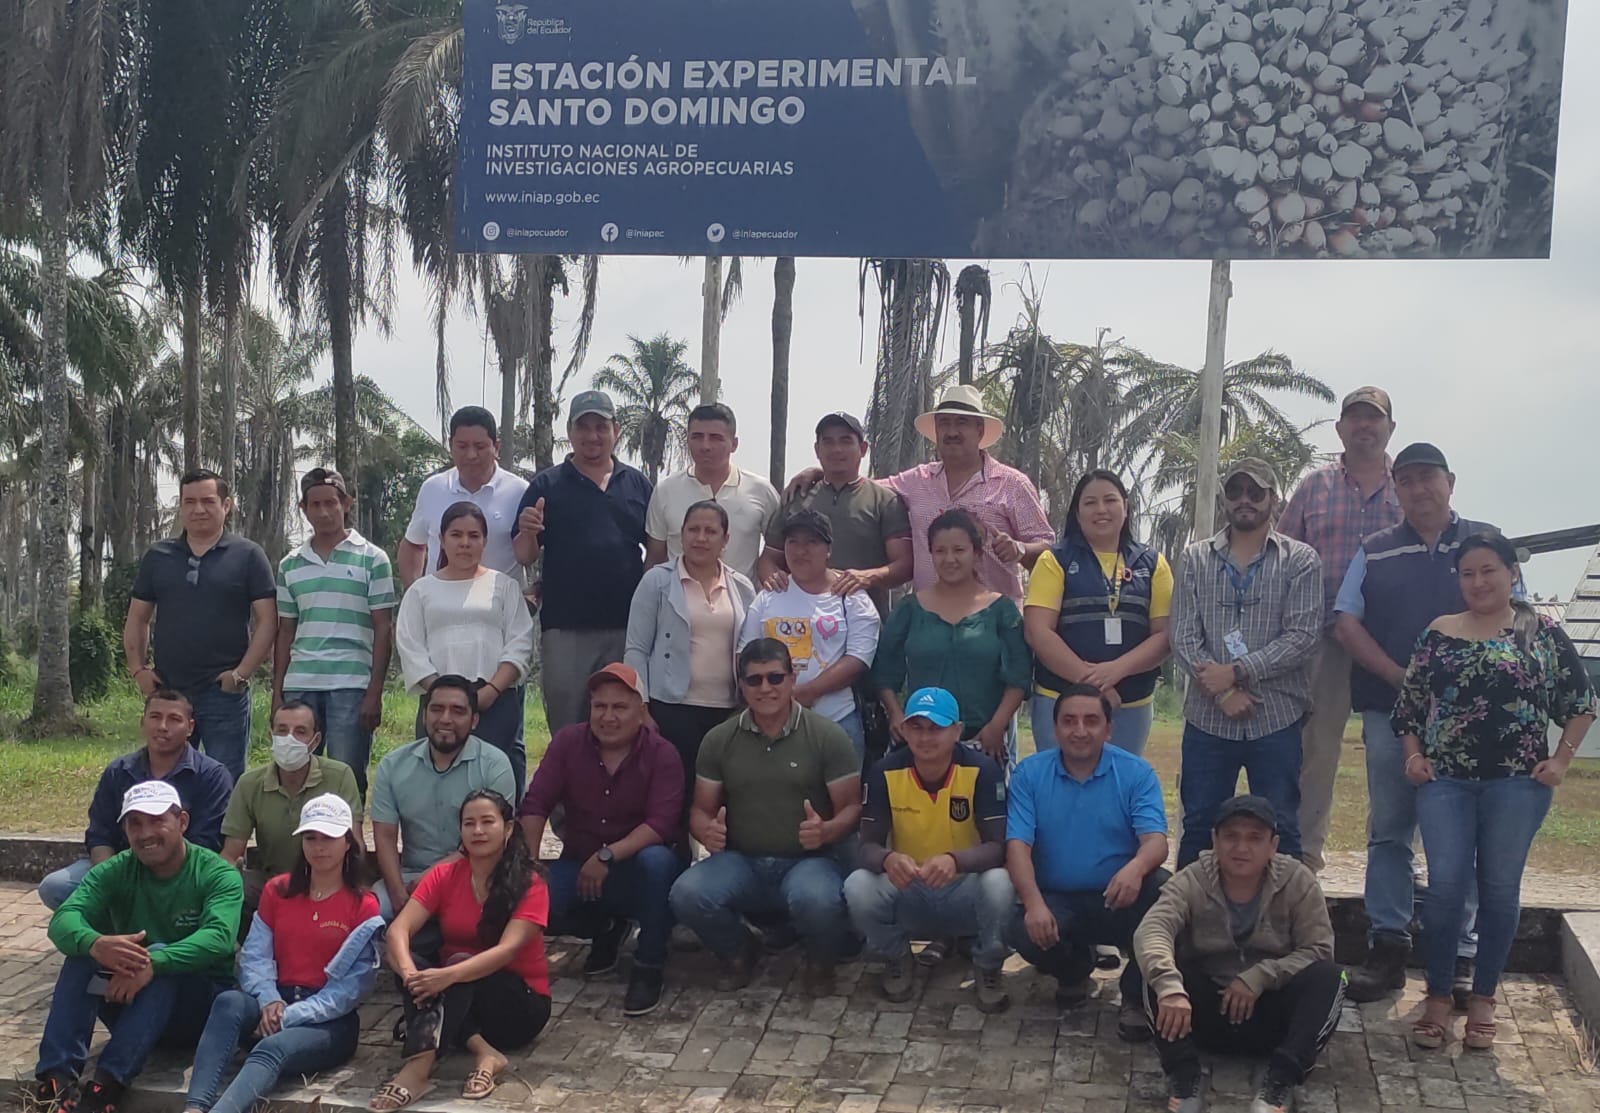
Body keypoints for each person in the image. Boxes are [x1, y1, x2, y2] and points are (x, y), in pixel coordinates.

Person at [1396, 533, 1596, 1052]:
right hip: (1446, 784)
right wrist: (1413, 757)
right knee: (1445, 889)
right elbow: (1409, 707)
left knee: (1500, 890)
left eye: (1489, 571)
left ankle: (1484, 997)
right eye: (1468, 573)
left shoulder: (1541, 632)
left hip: (1517, 786)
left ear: (1511, 573)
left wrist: (1562, 760)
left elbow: (1581, 702)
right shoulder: (1439, 633)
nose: (1478, 582)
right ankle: (1438, 995)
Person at [1333, 442, 1491, 1003]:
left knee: (1463, 835)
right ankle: (1388, 946)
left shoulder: (1483, 543)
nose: (1419, 489)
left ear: (1451, 481)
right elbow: (1346, 621)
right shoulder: (1374, 550)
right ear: (1395, 489)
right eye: (1407, 480)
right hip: (1388, 711)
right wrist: (1399, 677)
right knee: (1390, 830)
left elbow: (1514, 617)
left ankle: (1462, 953)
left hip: (1470, 720)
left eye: (1429, 477)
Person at [33, 782, 244, 1113]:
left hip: (198, 1010)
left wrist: (154, 962)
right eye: (135, 824)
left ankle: (107, 1087)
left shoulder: (216, 873)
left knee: (158, 953)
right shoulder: (116, 869)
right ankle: (56, 1081)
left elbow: (219, 937)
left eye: (157, 821)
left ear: (182, 822)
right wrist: (96, 944)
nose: (146, 834)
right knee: (82, 956)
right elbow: (63, 919)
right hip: (130, 1000)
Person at [669, 639, 862, 996]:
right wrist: (706, 831)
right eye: (754, 680)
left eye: (775, 677)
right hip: (742, 861)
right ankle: (738, 950)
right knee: (687, 893)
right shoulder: (719, 739)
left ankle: (821, 960)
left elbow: (851, 809)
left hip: (809, 862)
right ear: (741, 686)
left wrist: (826, 831)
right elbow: (699, 810)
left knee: (817, 900)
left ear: (792, 679)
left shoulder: (827, 736)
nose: (765, 688)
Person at [1134, 796, 1345, 1113]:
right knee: (1151, 966)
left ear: (1273, 845)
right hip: (1204, 1013)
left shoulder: (1298, 881)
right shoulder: (1192, 879)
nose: (1241, 848)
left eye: (1255, 838)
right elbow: (1152, 929)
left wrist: (1260, 977)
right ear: (1214, 840)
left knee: (1331, 976)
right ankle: (1184, 1075)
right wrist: (1170, 988)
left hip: (1273, 1015)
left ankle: (1280, 1081)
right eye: (1231, 836)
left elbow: (1319, 949)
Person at [183, 795, 383, 1113]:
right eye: (310, 837)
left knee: (271, 1048)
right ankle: (194, 1107)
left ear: (348, 842)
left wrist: (288, 1017)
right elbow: (255, 956)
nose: (319, 847)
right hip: (275, 1001)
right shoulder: (278, 890)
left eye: (329, 837)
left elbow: (351, 989)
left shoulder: (364, 904)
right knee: (229, 1002)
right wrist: (269, 1000)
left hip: (329, 1022)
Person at [1170, 458, 1321, 865]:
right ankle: (1193, 908)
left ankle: (1283, 908)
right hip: (1208, 717)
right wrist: (1222, 693)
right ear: (1224, 499)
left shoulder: (1301, 560)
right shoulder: (1195, 558)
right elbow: (1182, 636)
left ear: (1274, 499)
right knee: (1199, 825)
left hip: (1276, 716)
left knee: (1281, 827)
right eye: (1236, 492)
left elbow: (1303, 636)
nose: (1245, 500)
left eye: (1256, 492)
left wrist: (1237, 672)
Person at [1277, 387, 1401, 874]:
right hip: (1323, 640)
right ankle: (1305, 852)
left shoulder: (1406, 486)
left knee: (1394, 750)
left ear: (1390, 428)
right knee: (1316, 748)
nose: (1364, 426)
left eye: (1374, 418)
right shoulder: (1314, 487)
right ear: (1340, 428)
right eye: (1355, 417)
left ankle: (1394, 856)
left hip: (1389, 643)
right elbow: (1282, 556)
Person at [786, 384, 1055, 606]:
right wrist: (820, 472)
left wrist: (1020, 549)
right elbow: (861, 487)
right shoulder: (916, 480)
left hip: (995, 622)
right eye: (944, 423)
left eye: (961, 423)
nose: (952, 432)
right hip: (929, 620)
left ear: (980, 431)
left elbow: (1049, 550)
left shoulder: (1011, 484)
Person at [1006, 685, 1170, 1041]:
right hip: (1058, 899)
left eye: (1091, 721)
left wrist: (1136, 868)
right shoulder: (1029, 774)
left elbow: (1156, 841)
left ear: (1108, 729)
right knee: (1019, 928)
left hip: (1119, 896)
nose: (1079, 730)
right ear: (1055, 728)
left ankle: (1135, 995)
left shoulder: (1136, 773)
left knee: (1164, 892)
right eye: (1069, 721)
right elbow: (1017, 845)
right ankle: (1074, 970)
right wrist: (1034, 904)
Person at [520, 664, 684, 1016]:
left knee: (658, 862)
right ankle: (605, 928)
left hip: (637, 871)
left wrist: (608, 855)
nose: (608, 717)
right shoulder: (568, 743)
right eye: (600, 706)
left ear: (641, 712)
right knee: (531, 896)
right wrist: (530, 866)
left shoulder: (662, 753)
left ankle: (649, 964)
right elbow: (535, 803)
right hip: (579, 865)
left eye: (620, 707)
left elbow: (661, 823)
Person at [373, 791, 551, 1111]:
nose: (477, 831)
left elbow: (507, 951)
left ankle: (418, 1068)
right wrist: (411, 974)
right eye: (469, 823)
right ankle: (484, 1053)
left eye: (487, 822)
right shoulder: (445, 875)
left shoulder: (530, 883)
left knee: (455, 966)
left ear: (508, 828)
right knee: (407, 962)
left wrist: (448, 976)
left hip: (516, 1004)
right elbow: (398, 930)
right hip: (455, 998)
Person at [845, 687, 1014, 1012]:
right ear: (904, 730)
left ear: (957, 730)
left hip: (964, 888)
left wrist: (955, 861)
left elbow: (998, 847)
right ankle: (896, 957)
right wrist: (888, 858)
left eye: (936, 728)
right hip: (911, 887)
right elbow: (866, 846)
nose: (925, 737)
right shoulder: (884, 772)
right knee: (858, 885)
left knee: (1000, 882)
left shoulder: (982, 770)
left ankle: (988, 964)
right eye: (917, 727)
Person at [124, 468, 277, 781]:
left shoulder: (248, 555)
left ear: (226, 505)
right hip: (169, 690)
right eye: (189, 502)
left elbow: (268, 620)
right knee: (166, 779)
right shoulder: (159, 556)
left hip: (224, 692)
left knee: (226, 780)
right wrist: (138, 670)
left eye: (208, 501)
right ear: (180, 506)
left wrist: (240, 674)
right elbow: (138, 617)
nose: (198, 509)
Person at [513, 390, 652, 732]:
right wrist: (528, 531)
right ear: (570, 432)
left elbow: (656, 550)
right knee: (567, 721)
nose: (593, 436)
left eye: (601, 427)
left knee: (623, 721)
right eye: (584, 427)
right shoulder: (546, 485)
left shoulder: (637, 484)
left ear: (615, 430)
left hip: (627, 627)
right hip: (566, 627)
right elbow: (524, 555)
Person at [39, 690, 233, 911]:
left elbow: (206, 842)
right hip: (122, 866)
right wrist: (111, 879)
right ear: (142, 723)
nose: (163, 726)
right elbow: (100, 834)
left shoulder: (212, 775)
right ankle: (114, 924)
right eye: (155, 717)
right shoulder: (118, 771)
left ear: (190, 727)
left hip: (182, 873)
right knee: (55, 887)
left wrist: (161, 877)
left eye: (174, 719)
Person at [1024, 469, 1173, 756]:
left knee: (1120, 780)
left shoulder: (1153, 563)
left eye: (1110, 500)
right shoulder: (1054, 560)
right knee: (1059, 780)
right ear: (1077, 513)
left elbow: (1164, 635)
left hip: (1130, 705)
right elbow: (1038, 632)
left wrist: (1116, 670)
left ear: (1125, 507)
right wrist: (1094, 682)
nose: (1101, 509)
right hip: (1061, 700)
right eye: (1090, 503)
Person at [272, 467, 397, 799]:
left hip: (350, 685)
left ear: (347, 504)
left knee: (347, 775)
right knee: (295, 771)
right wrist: (277, 693)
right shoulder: (290, 564)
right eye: (315, 504)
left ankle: (348, 832)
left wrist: (374, 691)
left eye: (331, 503)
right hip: (301, 684)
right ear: (304, 509)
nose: (324, 512)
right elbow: (285, 631)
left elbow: (383, 627)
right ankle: (299, 832)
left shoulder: (372, 558)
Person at [625, 500, 756, 815]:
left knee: (722, 799)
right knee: (675, 799)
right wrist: (641, 708)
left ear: (725, 539)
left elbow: (749, 649)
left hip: (727, 711)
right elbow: (636, 648)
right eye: (693, 529)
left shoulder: (742, 587)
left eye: (711, 531)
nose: (701, 538)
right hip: (671, 707)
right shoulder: (656, 581)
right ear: (681, 535)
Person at [872, 509, 1030, 768]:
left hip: (984, 741)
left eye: (959, 550)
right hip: (920, 742)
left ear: (977, 553)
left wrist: (996, 726)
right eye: (940, 551)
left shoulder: (1002, 611)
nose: (949, 559)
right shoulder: (910, 609)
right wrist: (896, 714)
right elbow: (884, 670)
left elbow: (1019, 675)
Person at [396, 501, 535, 793]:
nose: (465, 543)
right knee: (439, 781)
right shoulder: (421, 590)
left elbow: (520, 642)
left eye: (474, 536)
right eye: (456, 535)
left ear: (485, 541)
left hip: (495, 701)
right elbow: (410, 645)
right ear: (441, 539)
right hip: (439, 702)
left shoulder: (504, 586)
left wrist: (490, 691)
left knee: (494, 786)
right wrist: (443, 694)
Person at [368, 675, 518, 921]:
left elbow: (495, 838)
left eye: (457, 711)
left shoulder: (495, 764)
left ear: (474, 720)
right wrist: (396, 893)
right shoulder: (393, 765)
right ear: (424, 715)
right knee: (373, 911)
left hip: (477, 876)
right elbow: (384, 836)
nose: (445, 719)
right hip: (411, 878)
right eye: (437, 709)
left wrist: (433, 878)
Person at [740, 510, 881, 761]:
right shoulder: (769, 595)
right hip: (771, 724)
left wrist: (808, 692)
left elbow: (859, 658)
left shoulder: (852, 596)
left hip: (838, 720)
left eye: (811, 542)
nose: (800, 551)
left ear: (828, 549)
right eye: (792, 542)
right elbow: (745, 653)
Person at [757, 412, 913, 617]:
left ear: (863, 449)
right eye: (828, 442)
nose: (836, 449)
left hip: (864, 619)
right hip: (798, 621)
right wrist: (774, 580)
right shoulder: (796, 498)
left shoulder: (884, 501)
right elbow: (769, 558)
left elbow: (905, 565)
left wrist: (867, 577)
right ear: (817, 449)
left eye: (846, 441)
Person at [219, 700, 363, 912]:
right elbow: (231, 854)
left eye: (300, 732)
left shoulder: (340, 776)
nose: (289, 739)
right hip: (272, 882)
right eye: (282, 730)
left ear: (315, 741)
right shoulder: (249, 783)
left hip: (328, 882)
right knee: (230, 888)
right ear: (271, 736)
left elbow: (355, 843)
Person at [645, 402, 779, 580]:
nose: (705, 446)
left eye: (716, 438)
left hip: (742, 597)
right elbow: (655, 558)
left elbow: (778, 552)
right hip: (678, 596)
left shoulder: (761, 491)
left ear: (734, 444)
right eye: (697, 437)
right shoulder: (665, 491)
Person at [398, 406, 529, 586]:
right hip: (441, 601)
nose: (471, 455)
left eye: (480, 446)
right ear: (450, 445)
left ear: (496, 447)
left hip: (500, 602)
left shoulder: (519, 492)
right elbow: (413, 544)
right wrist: (415, 592)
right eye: (462, 446)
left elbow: (533, 551)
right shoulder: (432, 489)